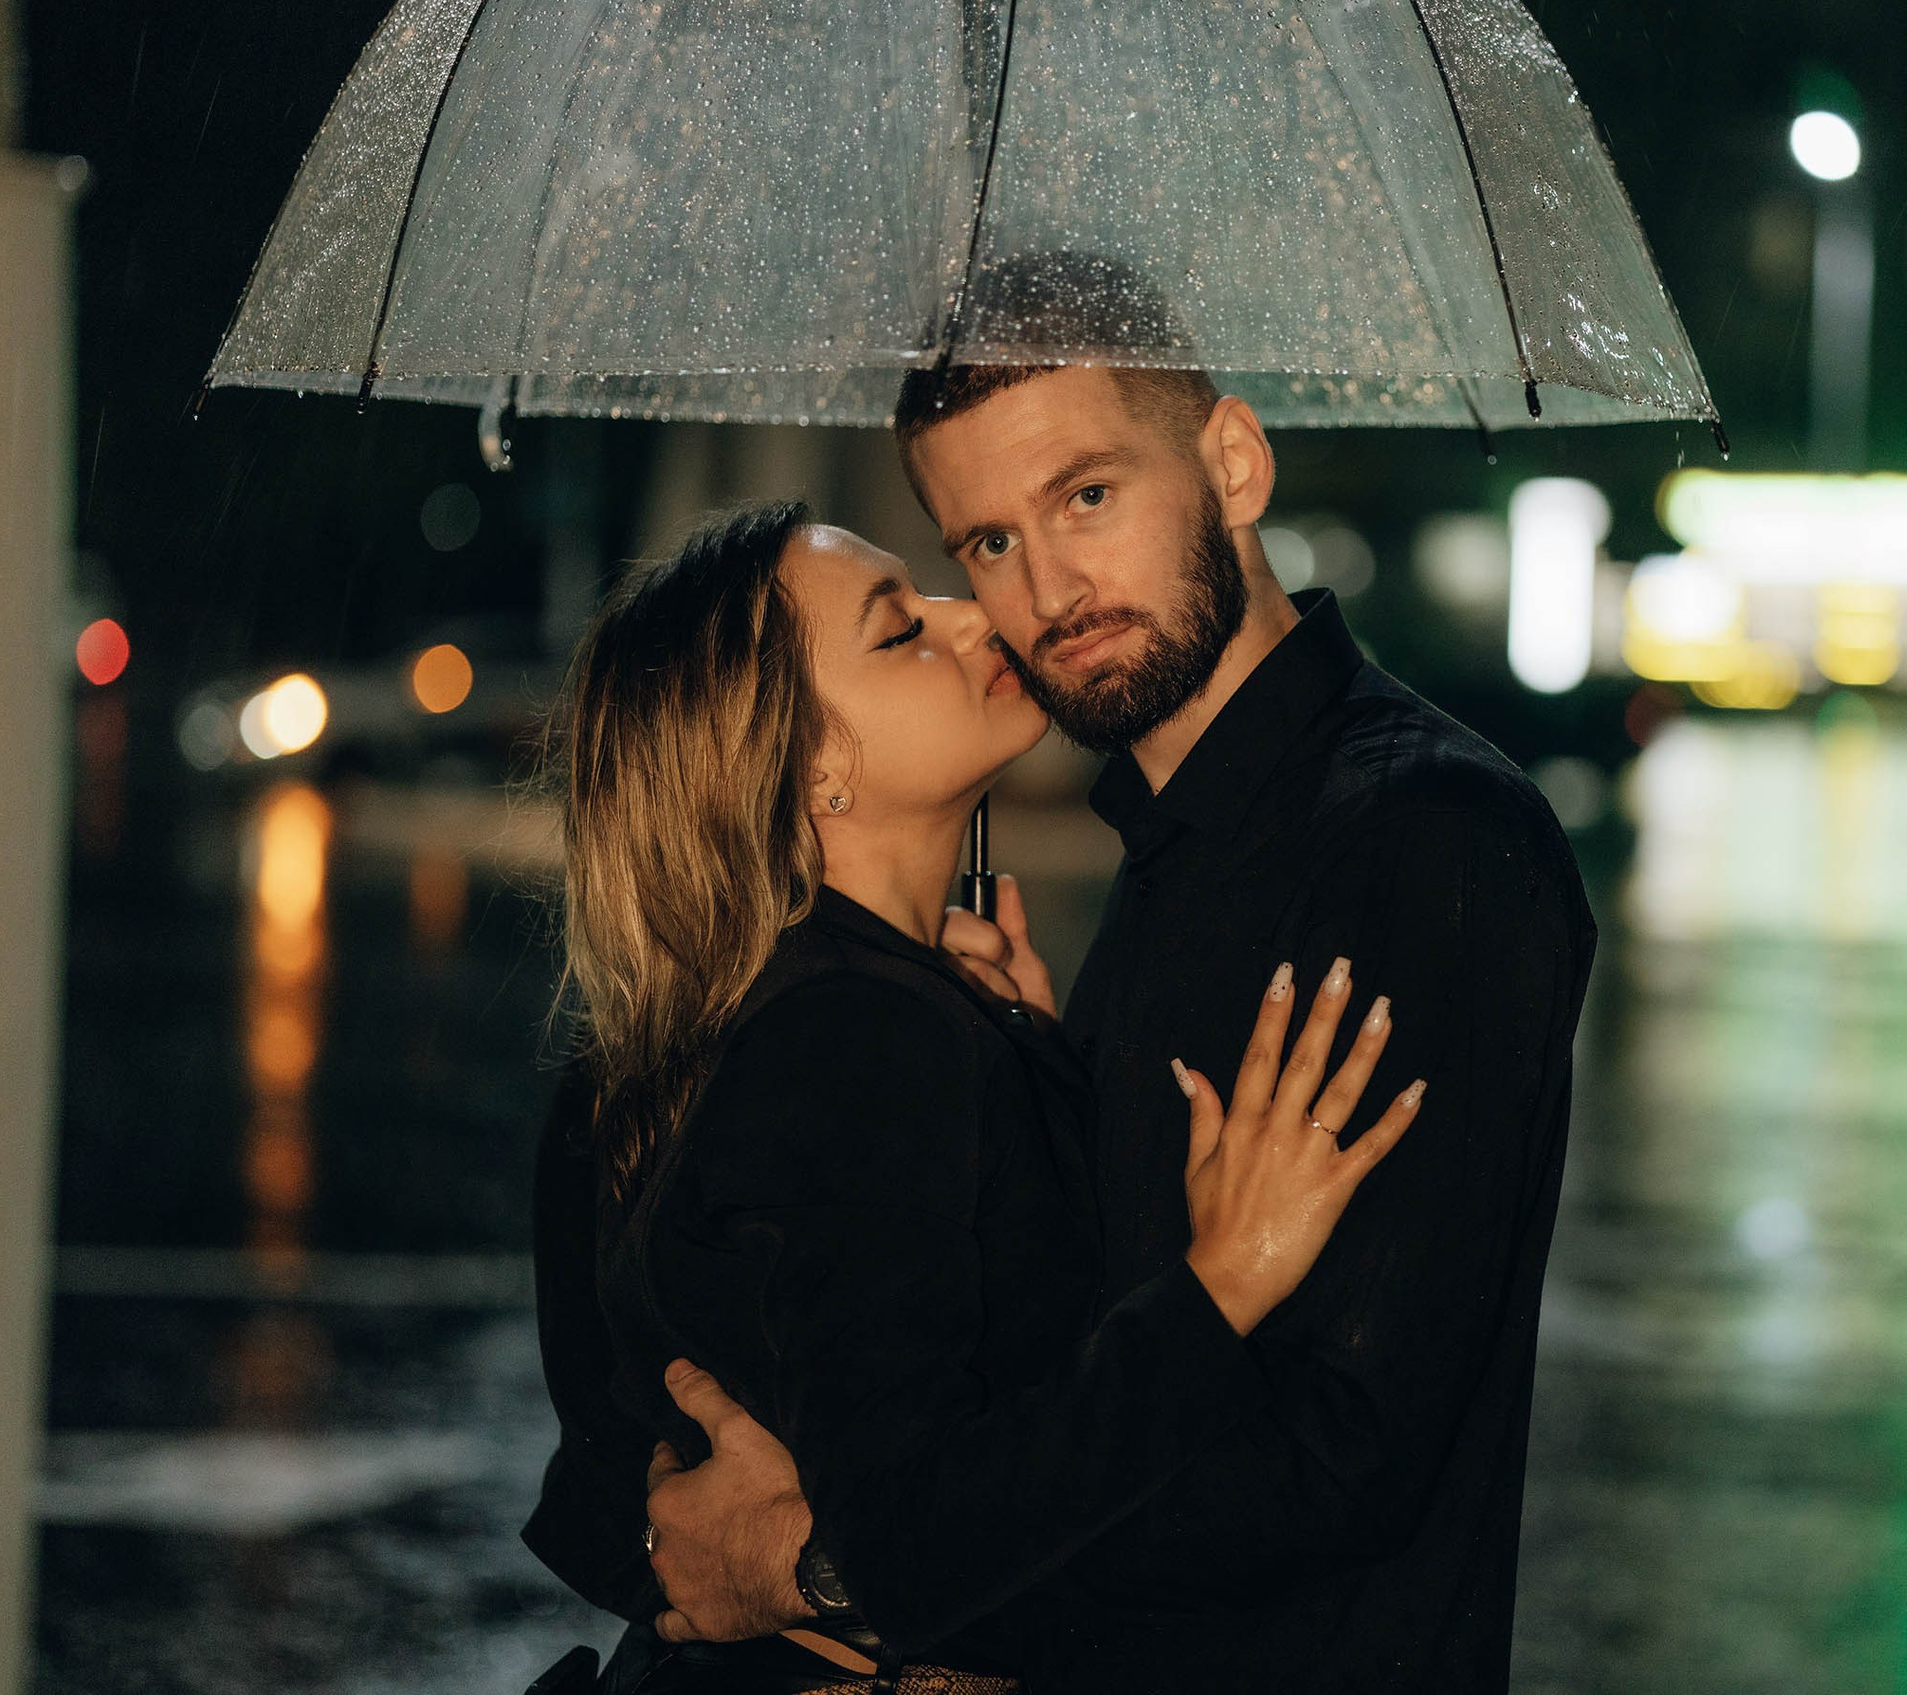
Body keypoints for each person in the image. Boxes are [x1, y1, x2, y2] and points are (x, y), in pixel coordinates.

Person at [637, 258, 1596, 1693]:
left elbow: (1337, 1462)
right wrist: (1049, 1083)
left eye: (1087, 496)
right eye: (988, 542)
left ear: (1232, 461)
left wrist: (821, 1565)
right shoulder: (1168, 856)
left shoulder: (1425, 838)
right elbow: (1104, 1331)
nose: (1049, 590)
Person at [521, 498, 1425, 1694]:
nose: (972, 614)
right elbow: (919, 1525)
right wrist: (1223, 1287)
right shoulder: (859, 1034)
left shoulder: (676, 1040)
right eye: (900, 632)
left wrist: (1023, 1067)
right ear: (813, 763)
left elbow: (601, 1494)